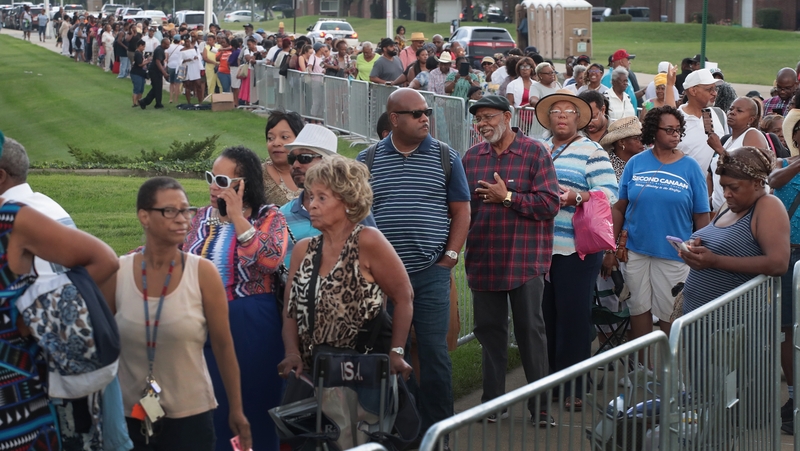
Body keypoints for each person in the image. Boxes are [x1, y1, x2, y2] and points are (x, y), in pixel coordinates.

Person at [101, 177, 251, 450]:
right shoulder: (118, 273)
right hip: (130, 416)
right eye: (170, 211)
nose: (182, 219)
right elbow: (101, 343)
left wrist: (237, 410)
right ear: (144, 217)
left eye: (186, 210)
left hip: (191, 418)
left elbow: (223, 345)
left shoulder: (202, 273)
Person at [355, 88, 471, 439]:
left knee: (434, 354)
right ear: (394, 119)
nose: (425, 118)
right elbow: (358, 216)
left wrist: (450, 258)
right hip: (383, 280)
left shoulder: (446, 157)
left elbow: (461, 210)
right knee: (389, 353)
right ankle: (404, 431)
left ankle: (439, 434)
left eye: (427, 112)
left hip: (430, 274)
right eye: (417, 113)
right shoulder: (367, 160)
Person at [0, 131, 119, 450]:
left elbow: (104, 261)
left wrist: (29, 321)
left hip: (36, 369)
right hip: (66, 359)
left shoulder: (17, 215)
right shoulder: (44, 203)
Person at [462, 95, 559, 426]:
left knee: (530, 332)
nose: (482, 124)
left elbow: (549, 204)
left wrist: (507, 197)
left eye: (488, 117)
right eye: (478, 119)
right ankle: (492, 403)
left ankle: (540, 407)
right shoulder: (472, 158)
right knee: (489, 333)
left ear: (507, 116)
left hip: (524, 260)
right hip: (483, 260)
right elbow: (461, 208)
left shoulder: (534, 153)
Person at [185, 147, 288, 451]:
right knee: (212, 405)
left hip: (250, 322)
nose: (212, 187)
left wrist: (237, 218)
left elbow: (269, 260)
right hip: (201, 321)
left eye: (221, 181)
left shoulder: (268, 216)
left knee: (254, 407)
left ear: (242, 185)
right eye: (210, 178)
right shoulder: (199, 217)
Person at [278, 154, 414, 380]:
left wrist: (396, 352)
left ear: (349, 202)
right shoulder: (303, 250)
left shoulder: (369, 241)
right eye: (311, 196)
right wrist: (292, 352)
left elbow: (404, 297)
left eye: (322, 198)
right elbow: (291, 309)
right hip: (316, 369)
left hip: (364, 369)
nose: (312, 205)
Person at [535, 91, 618, 411]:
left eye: (568, 111)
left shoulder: (592, 151)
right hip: (540, 249)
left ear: (578, 118)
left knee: (573, 317)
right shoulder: (539, 148)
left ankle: (575, 387)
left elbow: (609, 193)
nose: (561, 115)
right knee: (544, 318)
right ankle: (549, 383)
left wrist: (577, 197)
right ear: (548, 118)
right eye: (555, 111)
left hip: (575, 250)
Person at [610, 105, 710, 344]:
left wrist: (699, 249)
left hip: (674, 255)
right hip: (635, 251)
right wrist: (610, 248)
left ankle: (670, 366)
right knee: (638, 309)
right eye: (669, 130)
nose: (675, 135)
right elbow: (620, 207)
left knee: (670, 314)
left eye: (678, 130)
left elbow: (701, 216)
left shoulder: (691, 167)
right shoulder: (635, 163)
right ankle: (643, 364)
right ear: (654, 131)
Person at [279, 125, 377, 266]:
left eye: (304, 158)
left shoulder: (353, 210)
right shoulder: (281, 215)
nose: (295, 165)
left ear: (327, 162)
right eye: (291, 159)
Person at [707, 97, 769, 211]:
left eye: (739, 111)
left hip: (744, 210)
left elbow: (750, 171)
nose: (732, 112)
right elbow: (712, 176)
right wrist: (709, 202)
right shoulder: (727, 140)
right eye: (731, 109)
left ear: (750, 119)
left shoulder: (753, 135)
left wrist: (719, 149)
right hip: (719, 210)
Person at [677, 69, 724, 176]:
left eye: (715, 89)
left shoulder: (719, 114)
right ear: (693, 91)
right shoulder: (676, 119)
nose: (715, 93)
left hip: (716, 185)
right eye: (709, 89)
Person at [264, 110, 303, 206]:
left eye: (284, 137)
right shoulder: (258, 176)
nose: (276, 143)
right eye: (270, 138)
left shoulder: (313, 171)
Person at [599, 116, 645, 181]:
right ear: (621, 142)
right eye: (636, 138)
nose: (642, 141)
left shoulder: (644, 161)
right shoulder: (606, 165)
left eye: (642, 137)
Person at [139, 38, 170, 110]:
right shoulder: (159, 50)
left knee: (156, 88)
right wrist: (164, 72)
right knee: (157, 87)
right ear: (163, 44)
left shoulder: (160, 49)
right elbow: (158, 62)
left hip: (156, 71)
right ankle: (152, 103)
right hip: (155, 71)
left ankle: (149, 102)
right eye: (167, 44)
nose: (168, 46)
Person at [181, 37, 204, 104]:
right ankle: (189, 102)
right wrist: (186, 60)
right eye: (186, 42)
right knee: (187, 85)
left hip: (195, 68)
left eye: (188, 42)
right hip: (186, 68)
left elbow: (200, 56)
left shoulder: (195, 48)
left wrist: (197, 57)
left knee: (198, 84)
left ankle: (200, 101)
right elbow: (179, 61)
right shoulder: (182, 50)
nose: (187, 43)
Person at [130, 40, 150, 108]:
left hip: (141, 73)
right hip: (136, 73)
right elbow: (140, 64)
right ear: (140, 46)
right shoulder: (138, 53)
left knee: (141, 89)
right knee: (137, 88)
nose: (144, 48)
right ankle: (134, 103)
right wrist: (147, 61)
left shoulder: (140, 53)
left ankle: (139, 101)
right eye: (143, 46)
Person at [166, 35, 183, 103]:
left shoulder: (169, 46)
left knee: (171, 83)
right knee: (177, 84)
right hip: (180, 66)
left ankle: (170, 98)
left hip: (170, 65)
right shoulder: (182, 47)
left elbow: (166, 56)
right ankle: (176, 99)